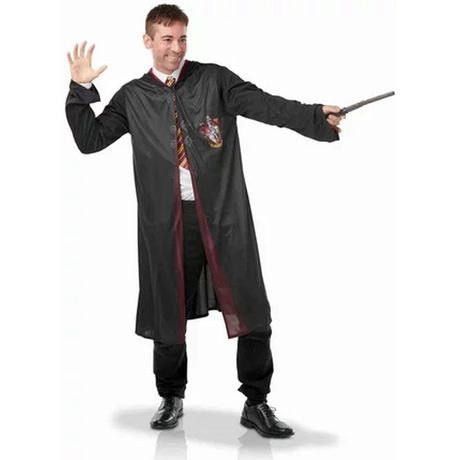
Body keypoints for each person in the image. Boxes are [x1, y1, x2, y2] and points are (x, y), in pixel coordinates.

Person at [65, 4, 344, 439]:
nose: (176, 48)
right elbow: (90, 140)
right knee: (167, 310)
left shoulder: (214, 80)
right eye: (166, 39)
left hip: (224, 216)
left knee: (251, 307)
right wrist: (81, 89)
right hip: (167, 223)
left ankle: (256, 402)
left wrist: (314, 117)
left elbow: (266, 105)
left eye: (182, 38)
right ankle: (171, 396)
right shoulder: (133, 97)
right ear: (148, 41)